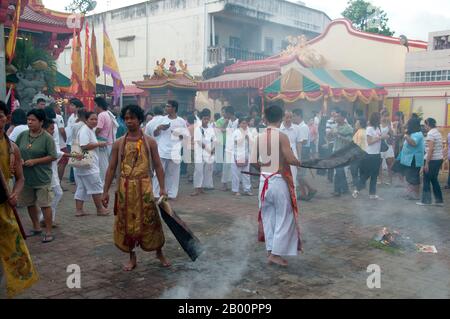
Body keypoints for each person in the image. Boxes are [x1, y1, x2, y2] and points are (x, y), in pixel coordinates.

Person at [102, 105, 170, 271]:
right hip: (125, 189)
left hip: (145, 187)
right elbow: (111, 168)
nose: (129, 121)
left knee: (151, 220)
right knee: (126, 223)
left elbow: (159, 166)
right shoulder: (119, 143)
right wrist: (105, 191)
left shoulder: (150, 142)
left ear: (139, 119)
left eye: (132, 118)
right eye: (126, 118)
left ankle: (159, 252)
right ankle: (132, 257)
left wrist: (162, 188)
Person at [251, 105, 302, 267]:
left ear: (265, 118)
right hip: (278, 181)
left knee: (268, 217)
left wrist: (264, 170)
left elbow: (253, 162)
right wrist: (300, 162)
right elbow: (290, 158)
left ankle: (271, 251)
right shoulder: (282, 136)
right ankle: (275, 254)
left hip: (264, 180)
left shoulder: (258, 137)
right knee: (284, 217)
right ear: (280, 119)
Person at [0, 101, 39, 298]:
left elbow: (20, 178)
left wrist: (15, 192)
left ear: (6, 119)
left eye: (0, 116)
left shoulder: (12, 148)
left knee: (11, 248)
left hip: (4, 205)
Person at [15, 109, 57, 243]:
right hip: (25, 177)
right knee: (29, 203)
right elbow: (14, 149)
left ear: (41, 122)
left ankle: (48, 230)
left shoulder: (47, 138)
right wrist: (18, 159)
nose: (30, 122)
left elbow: (53, 156)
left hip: (41, 176)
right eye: (28, 120)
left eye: (33, 120)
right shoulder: (23, 135)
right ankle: (36, 227)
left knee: (45, 204)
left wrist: (35, 161)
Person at [73, 112, 110, 217]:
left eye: (96, 119)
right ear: (86, 120)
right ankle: (100, 209)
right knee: (96, 186)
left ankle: (79, 210)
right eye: (92, 119)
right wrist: (99, 143)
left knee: (82, 187)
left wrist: (97, 143)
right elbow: (84, 146)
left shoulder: (89, 130)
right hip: (88, 164)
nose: (94, 121)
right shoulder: (85, 130)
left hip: (85, 164)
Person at [152, 100, 187, 200]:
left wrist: (176, 133)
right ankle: (156, 193)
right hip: (162, 150)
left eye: (168, 106)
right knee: (158, 172)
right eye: (166, 106)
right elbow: (155, 134)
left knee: (173, 174)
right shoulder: (162, 119)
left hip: (175, 151)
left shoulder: (181, 121)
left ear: (174, 108)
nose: (166, 108)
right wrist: (159, 128)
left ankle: (171, 193)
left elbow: (185, 137)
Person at [353, 113, 386, 200]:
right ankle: (357, 189)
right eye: (379, 118)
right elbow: (369, 142)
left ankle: (372, 194)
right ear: (375, 119)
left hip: (377, 154)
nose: (380, 120)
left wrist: (383, 137)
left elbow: (378, 138)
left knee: (375, 175)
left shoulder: (377, 128)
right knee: (366, 175)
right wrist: (380, 138)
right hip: (369, 155)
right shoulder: (369, 129)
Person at [417, 118, 444, 206]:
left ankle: (426, 200)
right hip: (438, 159)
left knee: (426, 179)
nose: (424, 127)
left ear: (428, 124)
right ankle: (439, 200)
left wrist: (427, 163)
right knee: (434, 179)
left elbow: (431, 149)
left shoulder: (431, 134)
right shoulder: (438, 132)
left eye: (425, 125)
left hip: (432, 160)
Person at [293, 109, 317, 200]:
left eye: (294, 116)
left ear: (299, 116)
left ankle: (311, 189)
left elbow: (303, 141)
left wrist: (294, 143)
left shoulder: (303, 127)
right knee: (298, 175)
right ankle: (304, 194)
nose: (293, 118)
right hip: (301, 150)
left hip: (303, 151)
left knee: (300, 175)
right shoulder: (299, 126)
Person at [192, 109, 216, 196]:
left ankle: (201, 187)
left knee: (206, 171)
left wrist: (213, 149)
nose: (206, 120)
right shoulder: (197, 128)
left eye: (207, 119)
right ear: (201, 119)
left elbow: (214, 139)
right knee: (198, 170)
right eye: (204, 119)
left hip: (209, 153)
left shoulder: (210, 128)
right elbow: (199, 142)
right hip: (200, 152)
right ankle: (196, 189)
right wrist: (209, 150)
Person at [399, 118, 424, 200]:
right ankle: (410, 193)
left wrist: (406, 136)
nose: (407, 125)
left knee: (415, 177)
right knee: (409, 176)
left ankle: (416, 195)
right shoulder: (412, 133)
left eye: (408, 124)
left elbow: (413, 143)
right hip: (408, 159)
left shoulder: (418, 134)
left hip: (414, 159)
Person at [329, 110, 353, 196]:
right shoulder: (334, 126)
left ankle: (337, 190)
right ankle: (345, 189)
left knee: (338, 170)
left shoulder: (348, 128)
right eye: (335, 116)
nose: (336, 118)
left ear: (343, 117)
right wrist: (330, 134)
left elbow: (350, 141)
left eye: (338, 116)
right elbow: (330, 138)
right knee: (340, 170)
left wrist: (339, 135)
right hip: (335, 150)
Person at [94, 97, 118, 181]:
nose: (94, 107)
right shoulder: (107, 114)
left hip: (102, 142)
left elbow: (99, 128)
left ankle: (104, 181)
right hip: (108, 142)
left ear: (99, 105)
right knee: (105, 162)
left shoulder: (101, 115)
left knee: (102, 164)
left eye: (95, 105)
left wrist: (92, 134)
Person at [231, 117, 253, 196]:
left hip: (246, 155)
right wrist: (244, 137)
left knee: (246, 174)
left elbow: (252, 142)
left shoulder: (249, 131)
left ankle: (247, 189)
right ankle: (235, 190)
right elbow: (235, 142)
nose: (244, 125)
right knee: (236, 174)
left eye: (246, 123)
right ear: (239, 124)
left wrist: (248, 138)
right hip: (237, 155)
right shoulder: (236, 132)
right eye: (242, 123)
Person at [65, 98, 85, 184]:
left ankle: (76, 179)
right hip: (70, 141)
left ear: (78, 108)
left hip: (77, 142)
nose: (70, 107)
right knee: (73, 160)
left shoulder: (80, 118)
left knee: (77, 160)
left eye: (72, 105)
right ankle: (72, 178)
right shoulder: (71, 116)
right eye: (71, 105)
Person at [221, 106, 239, 191]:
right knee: (226, 166)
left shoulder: (238, 121)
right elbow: (222, 130)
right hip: (228, 147)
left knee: (235, 167)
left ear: (229, 113)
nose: (224, 114)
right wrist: (226, 121)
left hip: (236, 148)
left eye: (225, 113)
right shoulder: (228, 122)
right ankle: (224, 184)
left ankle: (235, 185)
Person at [52, 102, 68, 182]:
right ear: (54, 108)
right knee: (63, 162)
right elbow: (62, 130)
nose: (60, 108)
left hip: (51, 143)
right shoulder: (58, 117)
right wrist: (65, 139)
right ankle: (59, 181)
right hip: (60, 143)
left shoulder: (45, 117)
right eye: (58, 107)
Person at [350, 118, 367, 186]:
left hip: (358, 153)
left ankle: (356, 183)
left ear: (360, 124)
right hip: (364, 153)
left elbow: (357, 144)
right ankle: (362, 183)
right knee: (362, 169)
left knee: (353, 169)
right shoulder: (365, 131)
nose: (355, 124)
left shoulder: (359, 132)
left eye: (357, 123)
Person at [379, 111, 395, 185]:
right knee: (379, 164)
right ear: (381, 116)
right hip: (380, 146)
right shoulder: (378, 125)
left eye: (387, 116)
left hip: (388, 146)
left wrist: (389, 126)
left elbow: (392, 134)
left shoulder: (389, 124)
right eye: (384, 116)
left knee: (390, 163)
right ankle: (380, 180)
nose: (385, 117)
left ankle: (390, 180)